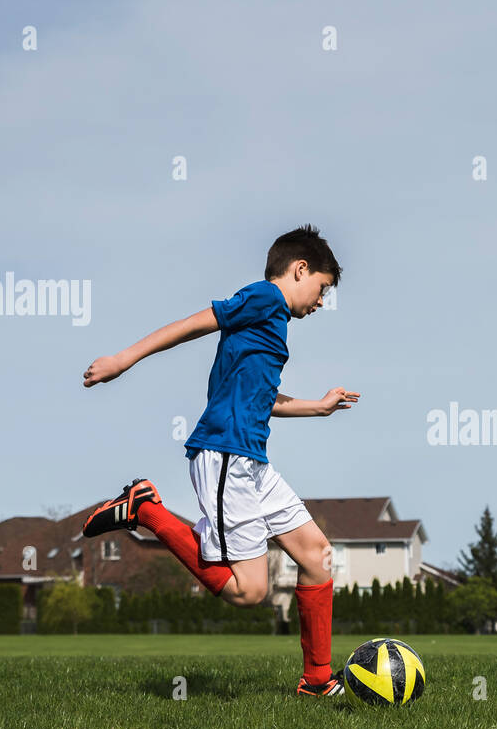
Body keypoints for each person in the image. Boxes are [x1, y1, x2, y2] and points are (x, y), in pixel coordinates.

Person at [80, 224, 355, 696]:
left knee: (317, 556)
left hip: (252, 461)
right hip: (225, 455)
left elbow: (260, 398)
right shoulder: (265, 299)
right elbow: (195, 323)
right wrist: (123, 360)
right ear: (300, 269)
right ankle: (145, 510)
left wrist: (317, 406)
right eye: (323, 288)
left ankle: (316, 680)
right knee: (250, 592)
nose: (322, 301)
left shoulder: (273, 323)